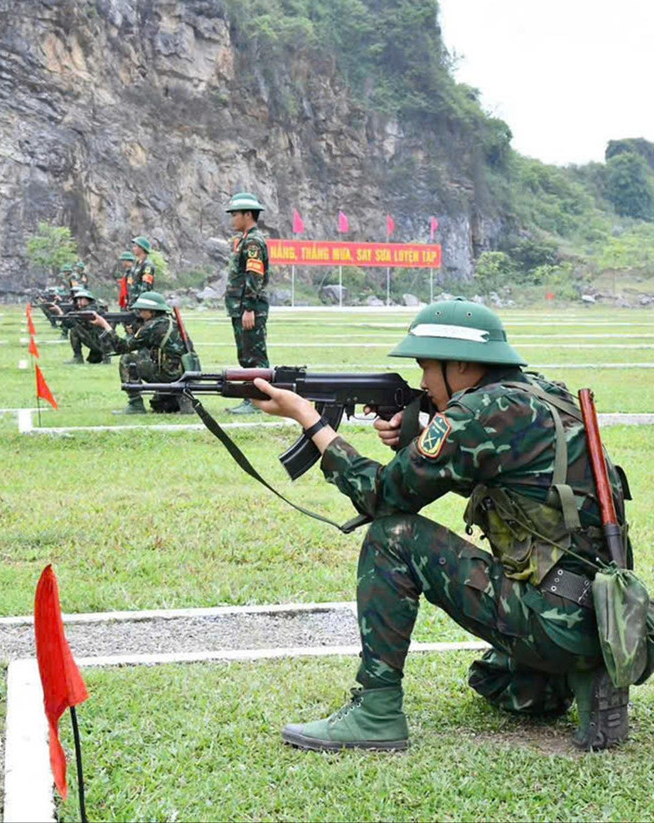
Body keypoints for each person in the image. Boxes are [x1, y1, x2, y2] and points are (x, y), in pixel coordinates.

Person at [249, 300, 633, 753]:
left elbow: (382, 496)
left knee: (391, 538)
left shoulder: (474, 415)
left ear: (463, 365)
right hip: (607, 614)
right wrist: (423, 436)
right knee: (498, 680)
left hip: (553, 620)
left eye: (427, 368)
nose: (423, 383)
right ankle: (571, 672)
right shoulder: (541, 394)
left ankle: (377, 712)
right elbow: (500, 475)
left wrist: (308, 419)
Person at [94, 292, 189, 414]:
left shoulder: (151, 326)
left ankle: (135, 404)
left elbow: (122, 347)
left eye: (142, 310)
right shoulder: (171, 321)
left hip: (168, 374)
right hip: (181, 372)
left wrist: (106, 326)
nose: (139, 313)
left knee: (127, 359)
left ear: (151, 311)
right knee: (159, 405)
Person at [224, 192, 271, 414]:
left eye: (235, 214)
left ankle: (257, 401)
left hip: (249, 308)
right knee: (246, 355)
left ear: (248, 215)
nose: (232, 218)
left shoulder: (253, 242)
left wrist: (249, 307)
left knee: (254, 355)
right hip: (240, 307)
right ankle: (251, 398)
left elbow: (254, 276)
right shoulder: (244, 240)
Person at [63, 287, 109, 365]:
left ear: (88, 299)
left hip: (101, 341)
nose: (78, 302)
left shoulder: (93, 308)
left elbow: (72, 323)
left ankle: (78, 357)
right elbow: (68, 324)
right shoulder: (86, 310)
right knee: (93, 361)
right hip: (98, 342)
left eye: (81, 299)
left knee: (74, 330)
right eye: (77, 300)